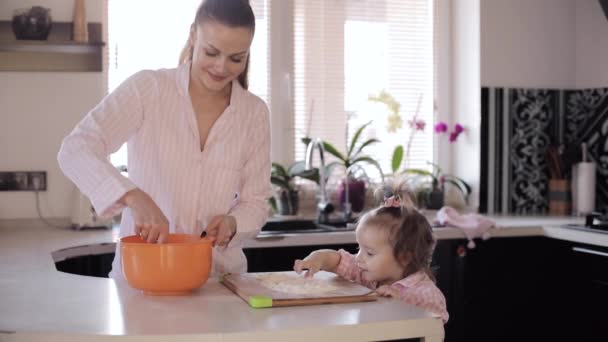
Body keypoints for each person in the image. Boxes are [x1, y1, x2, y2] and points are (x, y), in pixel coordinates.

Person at [57, 0, 271, 278]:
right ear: (193, 35)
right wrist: (134, 197)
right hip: (144, 278)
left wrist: (233, 223)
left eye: (236, 58)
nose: (221, 67)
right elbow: (75, 149)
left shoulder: (253, 113)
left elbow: (256, 202)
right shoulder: (149, 90)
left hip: (217, 282)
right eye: (211, 52)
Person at [293, 194, 449, 323]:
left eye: (369, 253)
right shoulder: (367, 273)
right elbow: (338, 260)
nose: (359, 258)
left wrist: (400, 302)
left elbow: (433, 333)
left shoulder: (427, 295)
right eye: (359, 248)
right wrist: (317, 259)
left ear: (404, 257)